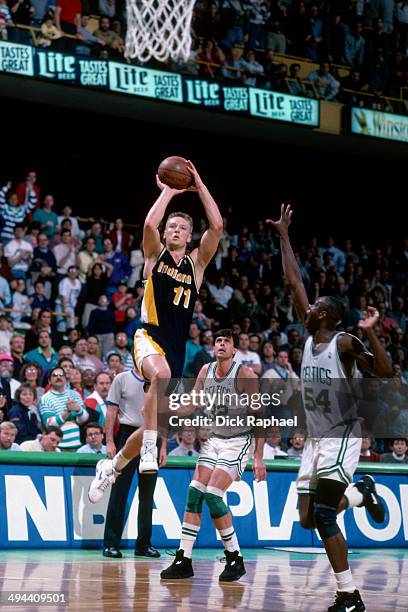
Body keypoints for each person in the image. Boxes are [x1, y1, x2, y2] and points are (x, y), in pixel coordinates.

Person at [266, 204, 393, 612]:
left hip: (341, 434)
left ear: (324, 314)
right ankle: (361, 493)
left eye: (313, 306)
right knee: (307, 518)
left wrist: (371, 335)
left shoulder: (342, 342)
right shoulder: (309, 337)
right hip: (316, 440)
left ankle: (349, 595)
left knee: (322, 517)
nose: (305, 309)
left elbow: (386, 372)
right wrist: (284, 236)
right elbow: (293, 282)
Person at [121, 160, 223, 473]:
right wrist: (168, 191)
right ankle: (149, 449)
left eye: (181, 228)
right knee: (161, 377)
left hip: (176, 347)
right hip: (149, 335)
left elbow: (217, 226)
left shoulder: (196, 265)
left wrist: (199, 185)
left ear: (190, 236)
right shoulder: (154, 255)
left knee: (153, 419)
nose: (174, 230)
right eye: (172, 227)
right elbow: (150, 226)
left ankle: (114, 466)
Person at [160, 329, 266, 581]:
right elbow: (192, 404)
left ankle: (235, 558)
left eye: (226, 342)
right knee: (195, 490)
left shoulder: (244, 374)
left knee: (213, 493)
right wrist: (167, 409)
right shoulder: (205, 372)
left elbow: (260, 417)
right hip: (214, 439)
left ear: (234, 350)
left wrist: (259, 458)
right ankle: (183, 558)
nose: (221, 345)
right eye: (218, 341)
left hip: (239, 440)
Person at [89, 369, 162, 560]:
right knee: (119, 492)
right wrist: (110, 441)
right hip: (127, 435)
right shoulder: (122, 378)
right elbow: (111, 412)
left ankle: (144, 544)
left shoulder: (159, 378)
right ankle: (111, 544)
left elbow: (161, 414)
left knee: (148, 496)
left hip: (152, 437)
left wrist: (163, 448)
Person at [39, 367, 89, 450]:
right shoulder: (45, 398)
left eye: (61, 375)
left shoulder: (75, 395)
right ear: (49, 381)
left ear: (65, 379)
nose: (58, 377)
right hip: (56, 447)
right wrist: (68, 412)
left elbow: (84, 418)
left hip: (77, 444)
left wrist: (78, 409)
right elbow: (49, 424)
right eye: (55, 375)